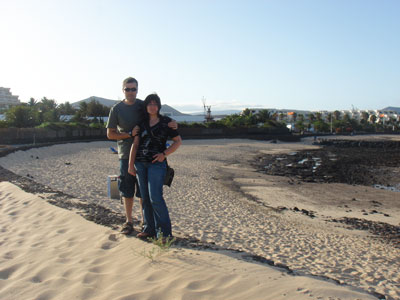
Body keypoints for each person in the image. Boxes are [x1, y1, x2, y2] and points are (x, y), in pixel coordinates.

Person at [106, 78, 177, 235]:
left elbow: (157, 115)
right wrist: (129, 134)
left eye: (134, 89)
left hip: (146, 158)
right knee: (127, 189)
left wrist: (173, 122)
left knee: (143, 193)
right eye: (128, 89)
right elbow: (110, 134)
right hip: (126, 154)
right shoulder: (116, 109)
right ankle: (129, 221)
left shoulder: (141, 105)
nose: (131, 92)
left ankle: (146, 223)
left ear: (137, 90)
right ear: (122, 90)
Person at [128, 94, 182, 240]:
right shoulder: (141, 123)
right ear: (146, 106)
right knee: (145, 198)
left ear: (158, 106)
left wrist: (164, 154)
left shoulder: (167, 122)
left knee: (155, 197)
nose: (152, 106)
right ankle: (149, 229)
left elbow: (177, 141)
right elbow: (136, 144)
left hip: (156, 165)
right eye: (149, 103)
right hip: (140, 164)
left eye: (155, 103)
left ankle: (165, 233)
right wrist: (130, 165)